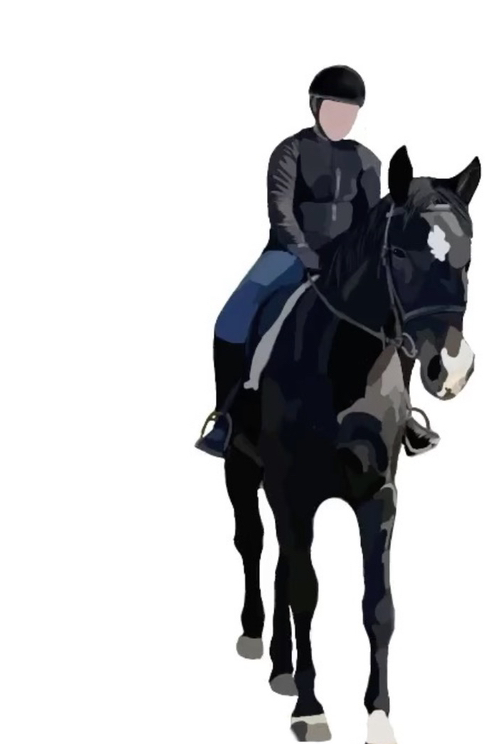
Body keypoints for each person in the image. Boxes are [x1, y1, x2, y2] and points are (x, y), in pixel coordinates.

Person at [195, 65, 440, 458]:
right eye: (334, 109)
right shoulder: (289, 151)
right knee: (232, 319)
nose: (342, 118)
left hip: (348, 263)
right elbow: (281, 213)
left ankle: (405, 414)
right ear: (315, 107)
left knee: (399, 315)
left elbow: (369, 221)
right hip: (289, 254)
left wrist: (356, 263)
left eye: (350, 112)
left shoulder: (367, 160)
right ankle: (227, 416)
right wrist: (307, 257)